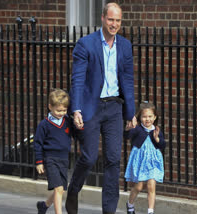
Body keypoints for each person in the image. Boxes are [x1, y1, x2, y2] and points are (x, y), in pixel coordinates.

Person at [66, 2, 136, 214]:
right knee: (89, 157)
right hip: (91, 107)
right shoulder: (85, 44)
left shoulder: (125, 46)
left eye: (118, 20)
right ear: (103, 19)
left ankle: (109, 211)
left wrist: (130, 113)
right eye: (111, 19)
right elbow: (77, 79)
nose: (114, 24)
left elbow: (128, 79)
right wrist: (76, 109)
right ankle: (73, 190)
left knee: (113, 160)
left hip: (114, 107)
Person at [33, 88, 73, 214]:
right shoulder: (44, 125)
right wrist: (39, 162)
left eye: (64, 110)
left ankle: (44, 206)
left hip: (64, 159)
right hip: (50, 159)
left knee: (60, 190)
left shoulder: (68, 122)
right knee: (59, 188)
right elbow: (38, 144)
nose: (61, 113)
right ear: (50, 107)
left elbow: (77, 133)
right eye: (58, 110)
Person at [124, 102, 166, 214]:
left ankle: (150, 211)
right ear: (140, 117)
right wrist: (128, 130)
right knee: (138, 187)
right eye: (144, 116)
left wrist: (157, 139)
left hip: (153, 161)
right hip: (140, 161)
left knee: (151, 185)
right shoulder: (137, 129)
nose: (147, 119)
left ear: (155, 117)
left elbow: (162, 145)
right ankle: (130, 204)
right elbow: (127, 137)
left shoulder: (156, 131)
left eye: (150, 116)